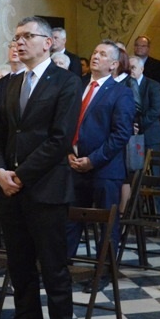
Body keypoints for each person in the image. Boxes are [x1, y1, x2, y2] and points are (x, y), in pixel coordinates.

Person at [0, 16, 82, 319]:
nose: (20, 42)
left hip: (46, 190)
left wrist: (20, 175)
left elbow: (60, 139)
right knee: (20, 268)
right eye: (16, 37)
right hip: (10, 191)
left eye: (28, 36)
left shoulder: (66, 82)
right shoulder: (7, 84)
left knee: (54, 270)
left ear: (48, 42)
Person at [67, 41, 134, 262]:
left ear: (113, 64)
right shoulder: (78, 86)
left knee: (107, 224)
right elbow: (66, 123)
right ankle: (63, 268)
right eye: (95, 52)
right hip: (74, 164)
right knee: (71, 220)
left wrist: (93, 160)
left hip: (105, 168)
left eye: (103, 54)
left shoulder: (121, 92)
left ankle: (105, 270)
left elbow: (121, 134)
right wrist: (68, 152)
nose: (96, 56)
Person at [131, 55, 160, 149]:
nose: (130, 70)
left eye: (133, 67)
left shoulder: (153, 85)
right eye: (128, 68)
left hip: (150, 134)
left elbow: (155, 110)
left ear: (141, 69)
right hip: (129, 134)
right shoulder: (123, 85)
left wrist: (138, 124)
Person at [133, 35, 160, 107]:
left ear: (148, 48)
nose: (139, 47)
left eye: (143, 46)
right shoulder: (127, 64)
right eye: (136, 45)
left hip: (149, 107)